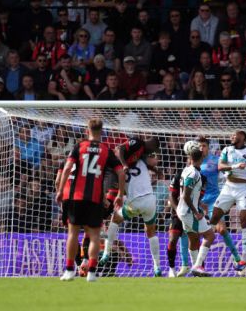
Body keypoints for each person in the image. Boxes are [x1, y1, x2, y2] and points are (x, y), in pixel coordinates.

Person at [56, 118, 126, 282]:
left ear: (87, 130)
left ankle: (69, 270)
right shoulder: (105, 150)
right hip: (95, 199)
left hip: (76, 197)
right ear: (102, 132)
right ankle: (92, 273)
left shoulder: (79, 147)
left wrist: (60, 190)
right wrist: (120, 195)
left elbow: (66, 168)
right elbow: (121, 172)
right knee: (94, 236)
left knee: (73, 233)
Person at [101, 135, 162, 276]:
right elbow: (149, 162)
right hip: (150, 200)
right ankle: (157, 267)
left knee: (115, 219)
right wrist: (157, 170)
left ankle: (106, 253)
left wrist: (119, 194)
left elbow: (121, 151)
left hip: (135, 202)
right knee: (151, 232)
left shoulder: (119, 169)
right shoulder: (141, 161)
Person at [211, 131, 246, 271]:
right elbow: (220, 166)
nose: (232, 136)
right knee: (214, 217)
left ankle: (243, 258)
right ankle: (200, 254)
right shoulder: (226, 150)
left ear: (243, 137)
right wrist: (234, 166)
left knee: (244, 218)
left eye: (235, 135)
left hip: (244, 188)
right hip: (228, 187)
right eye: (231, 135)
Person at [177, 143, 216, 277]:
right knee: (210, 235)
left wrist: (199, 204)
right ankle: (198, 265)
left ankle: (196, 269)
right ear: (201, 159)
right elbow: (186, 195)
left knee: (193, 239)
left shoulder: (186, 170)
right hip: (189, 212)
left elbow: (189, 194)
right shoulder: (194, 174)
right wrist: (196, 211)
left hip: (182, 210)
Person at [166, 165, 191, 277]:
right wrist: (177, 210)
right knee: (172, 240)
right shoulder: (178, 175)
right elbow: (171, 195)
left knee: (194, 242)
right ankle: (172, 269)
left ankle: (198, 267)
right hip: (177, 214)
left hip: (192, 213)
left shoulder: (200, 176)